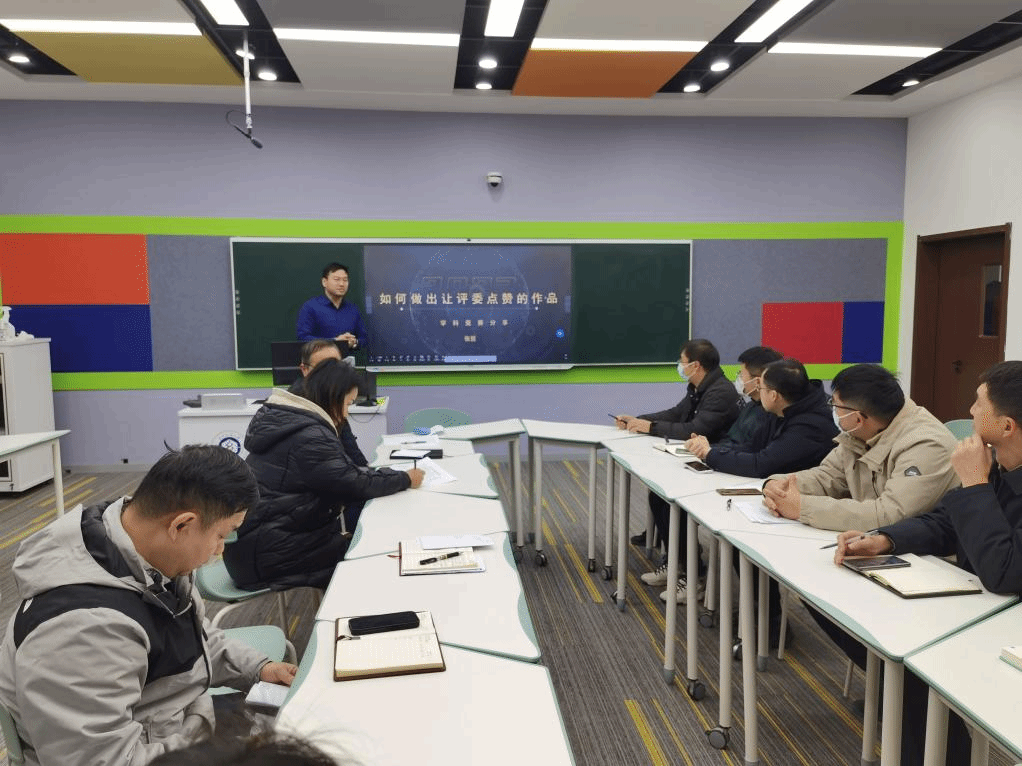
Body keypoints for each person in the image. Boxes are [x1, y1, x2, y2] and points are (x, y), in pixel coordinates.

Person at [0, 445, 299, 766]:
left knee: (293, 719)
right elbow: (103, 760)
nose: (219, 550)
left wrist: (259, 669)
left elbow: (193, 636)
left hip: (178, 723)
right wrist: (222, 752)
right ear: (180, 525)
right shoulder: (82, 631)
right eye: (221, 535)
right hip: (164, 748)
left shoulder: (141, 553)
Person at [830, 361, 1022, 766]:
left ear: (1006, 426)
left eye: (979, 403)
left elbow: (1004, 572)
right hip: (980, 608)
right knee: (874, 633)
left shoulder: (984, 470)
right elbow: (947, 522)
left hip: (1007, 629)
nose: (969, 411)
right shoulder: (999, 465)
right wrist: (887, 538)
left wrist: (974, 483)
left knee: (912, 670)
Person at [224, 359, 424, 591]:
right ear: (333, 397)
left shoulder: (290, 421)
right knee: (372, 555)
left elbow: (344, 473)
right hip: (272, 555)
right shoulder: (310, 435)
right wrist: (405, 478)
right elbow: (353, 484)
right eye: (348, 403)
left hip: (259, 546)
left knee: (363, 539)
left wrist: (381, 476)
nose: (346, 414)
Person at [616, 339, 741, 604]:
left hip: (718, 464)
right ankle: (676, 563)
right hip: (701, 457)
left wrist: (649, 427)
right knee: (658, 497)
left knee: (673, 503)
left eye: (682, 362)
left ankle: (695, 576)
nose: (679, 366)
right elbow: (677, 413)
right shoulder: (698, 387)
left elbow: (694, 428)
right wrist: (639, 420)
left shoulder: (720, 392)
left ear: (696, 365)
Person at [763, 363, 959, 530]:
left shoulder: (927, 444)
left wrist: (801, 507)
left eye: (835, 405)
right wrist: (777, 486)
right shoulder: (860, 433)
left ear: (857, 418)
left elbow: (890, 515)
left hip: (926, 556)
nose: (833, 411)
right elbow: (827, 476)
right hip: (875, 542)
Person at [688, 356, 837, 478]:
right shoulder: (783, 409)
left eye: (761, 388)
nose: (758, 391)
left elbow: (761, 465)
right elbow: (753, 447)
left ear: (774, 396)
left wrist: (710, 454)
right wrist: (708, 449)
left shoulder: (811, 426)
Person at [687, 345, 783, 459]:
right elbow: (730, 440)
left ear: (757, 381)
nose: (739, 378)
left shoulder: (773, 414)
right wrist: (704, 446)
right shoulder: (750, 406)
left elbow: (751, 450)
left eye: (742, 374)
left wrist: (710, 450)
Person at [292, 339, 369, 472]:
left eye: (336, 366)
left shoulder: (334, 401)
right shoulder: (296, 408)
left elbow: (351, 449)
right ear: (304, 370)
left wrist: (367, 470)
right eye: (323, 369)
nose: (333, 375)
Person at [296, 262, 368, 351]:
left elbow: (363, 338)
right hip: (321, 358)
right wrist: (335, 342)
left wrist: (354, 342)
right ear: (324, 282)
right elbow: (303, 338)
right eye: (337, 279)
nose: (341, 284)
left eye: (345, 280)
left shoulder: (353, 309)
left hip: (348, 359)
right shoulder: (310, 307)